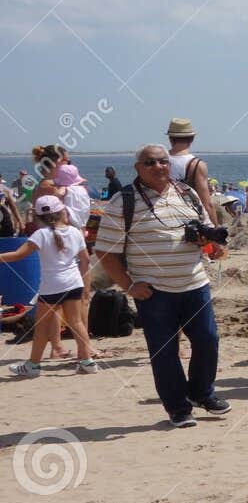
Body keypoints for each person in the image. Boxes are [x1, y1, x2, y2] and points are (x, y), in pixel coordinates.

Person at [95, 144, 228, 427]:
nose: (159, 167)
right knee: (164, 351)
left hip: (194, 284)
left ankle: (201, 393)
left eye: (163, 162)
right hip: (154, 292)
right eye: (150, 162)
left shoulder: (187, 193)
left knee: (208, 341)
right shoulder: (123, 202)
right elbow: (105, 253)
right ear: (138, 168)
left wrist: (208, 243)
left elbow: (204, 229)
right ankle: (178, 408)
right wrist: (130, 286)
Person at [1, 196, 99, 375]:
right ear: (62, 212)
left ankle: (33, 366)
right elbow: (85, 260)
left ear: (38, 217)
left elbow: (17, 255)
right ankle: (87, 361)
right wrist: (86, 284)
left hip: (52, 286)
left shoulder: (40, 234)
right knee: (76, 322)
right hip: (73, 282)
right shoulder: (75, 232)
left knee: (42, 326)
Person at [165, 118, 219, 225]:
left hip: (161, 216)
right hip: (187, 219)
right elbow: (207, 203)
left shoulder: (158, 161)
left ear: (170, 139)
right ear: (192, 139)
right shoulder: (196, 164)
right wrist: (216, 228)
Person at [52, 162, 93, 228]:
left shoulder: (65, 189)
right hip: (83, 221)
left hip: (70, 222)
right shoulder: (82, 189)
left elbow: (58, 194)